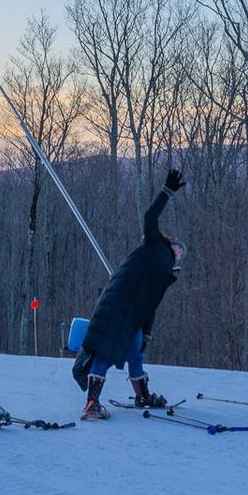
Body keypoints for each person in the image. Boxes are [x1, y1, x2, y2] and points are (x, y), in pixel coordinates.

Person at [71, 169, 186, 420]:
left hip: (135, 314)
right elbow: (150, 216)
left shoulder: (165, 273)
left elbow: (151, 306)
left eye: (182, 252)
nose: (181, 251)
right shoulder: (154, 244)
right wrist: (166, 192)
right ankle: (91, 403)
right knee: (106, 350)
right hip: (118, 304)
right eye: (179, 247)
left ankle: (142, 395)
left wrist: (148, 332)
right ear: (171, 243)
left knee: (136, 350)